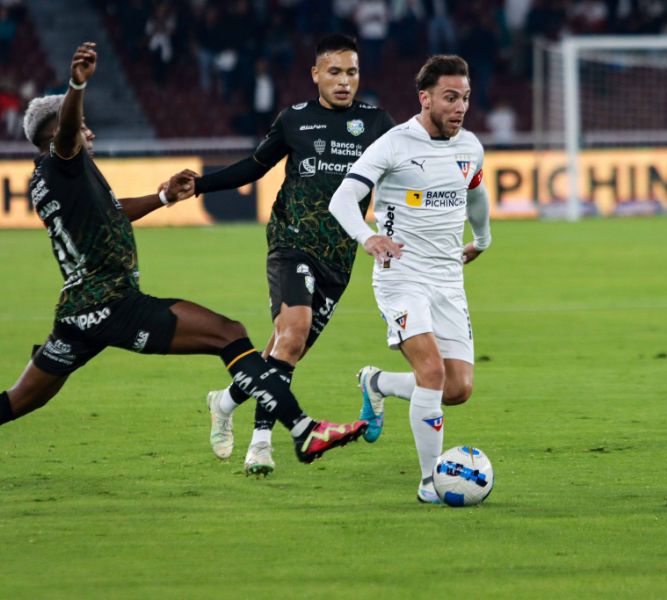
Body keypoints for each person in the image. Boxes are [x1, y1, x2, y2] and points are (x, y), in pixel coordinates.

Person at [0, 42, 367, 466]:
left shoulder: (48, 180)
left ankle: (286, 426)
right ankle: (303, 430)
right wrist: (76, 86)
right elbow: (66, 132)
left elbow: (113, 213)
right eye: (83, 127)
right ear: (58, 134)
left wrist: (162, 197)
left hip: (75, 314)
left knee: (19, 400)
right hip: (112, 303)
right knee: (228, 333)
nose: (89, 133)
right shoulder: (63, 158)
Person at [185, 34, 395, 476]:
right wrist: (199, 185)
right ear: (315, 74)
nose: (344, 81)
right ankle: (260, 444)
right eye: (334, 72)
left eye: (352, 72)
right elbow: (254, 166)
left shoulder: (377, 124)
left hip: (340, 256)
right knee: (293, 331)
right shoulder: (295, 119)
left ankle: (224, 402)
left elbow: (403, 176)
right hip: (291, 242)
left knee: (286, 349)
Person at [328, 55, 492, 503]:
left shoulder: (469, 147)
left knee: (456, 388)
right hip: (401, 276)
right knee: (432, 372)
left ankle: (377, 383)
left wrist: (482, 239)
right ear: (425, 98)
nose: (460, 107)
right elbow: (343, 199)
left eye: (465, 98)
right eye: (450, 98)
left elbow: (476, 194)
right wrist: (367, 237)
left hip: (448, 279)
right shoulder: (393, 144)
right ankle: (429, 482)